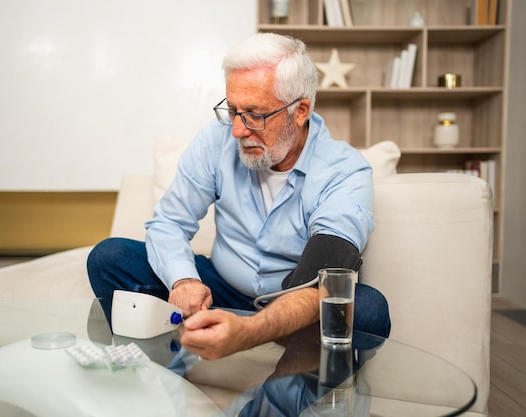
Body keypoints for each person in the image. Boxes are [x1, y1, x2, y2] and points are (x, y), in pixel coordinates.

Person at [87, 32, 390, 360]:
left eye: (255, 115)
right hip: (220, 291)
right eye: (232, 111)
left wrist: (250, 332)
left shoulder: (345, 171)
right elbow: (170, 222)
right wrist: (184, 281)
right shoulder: (216, 142)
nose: (237, 131)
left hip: (296, 300)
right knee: (109, 256)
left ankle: (275, 361)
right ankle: (172, 363)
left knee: (369, 312)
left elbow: (322, 279)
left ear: (300, 110)